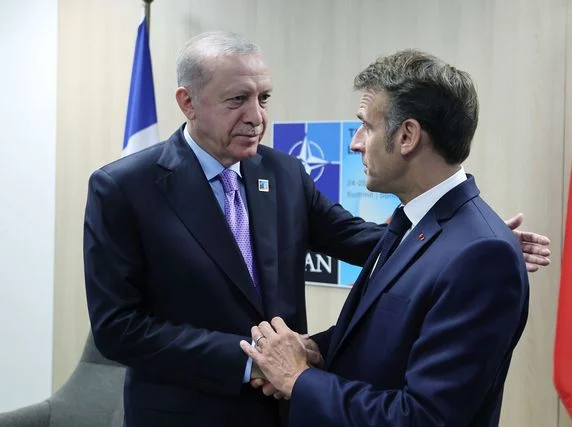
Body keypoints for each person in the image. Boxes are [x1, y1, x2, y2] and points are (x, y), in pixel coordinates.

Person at [84, 31, 548, 427]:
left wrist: (455, 242)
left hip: (288, 410)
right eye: (237, 100)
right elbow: (117, 328)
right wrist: (254, 361)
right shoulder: (124, 188)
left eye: (263, 98)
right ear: (188, 102)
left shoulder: (283, 173)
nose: (256, 116)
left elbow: (358, 238)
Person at [242, 50, 531, 427]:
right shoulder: (413, 223)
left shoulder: (481, 255)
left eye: (366, 126)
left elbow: (423, 418)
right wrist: (314, 349)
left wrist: (299, 380)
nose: (355, 143)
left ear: (407, 136)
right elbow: (384, 337)